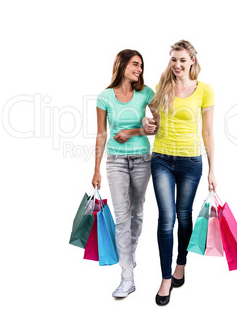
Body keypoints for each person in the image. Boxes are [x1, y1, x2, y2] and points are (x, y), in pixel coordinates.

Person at [142, 40, 216, 306]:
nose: (177, 65)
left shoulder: (205, 90)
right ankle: (165, 278)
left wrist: (212, 169)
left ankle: (180, 265)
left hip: (191, 162)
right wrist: (146, 122)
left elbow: (207, 132)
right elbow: (150, 113)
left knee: (184, 216)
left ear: (192, 60)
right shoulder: (163, 87)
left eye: (182, 60)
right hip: (161, 158)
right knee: (166, 217)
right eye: (174, 59)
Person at [92, 49, 157, 298]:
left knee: (137, 213)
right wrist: (96, 168)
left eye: (141, 65)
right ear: (121, 65)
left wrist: (133, 131)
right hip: (115, 162)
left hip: (142, 159)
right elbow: (101, 134)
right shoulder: (105, 97)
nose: (139, 69)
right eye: (135, 64)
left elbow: (157, 127)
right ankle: (127, 277)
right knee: (122, 217)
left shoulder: (146, 93)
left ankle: (129, 254)